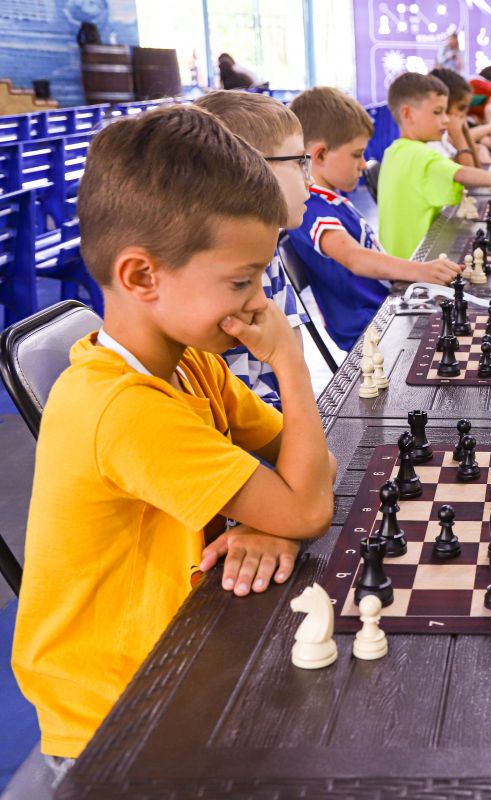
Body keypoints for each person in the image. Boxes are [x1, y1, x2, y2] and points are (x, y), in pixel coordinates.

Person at [12, 105, 336, 773]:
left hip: (181, 649)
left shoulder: (191, 361)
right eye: (241, 281)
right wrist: (290, 364)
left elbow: (309, 468)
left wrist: (266, 517)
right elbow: (307, 504)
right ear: (140, 277)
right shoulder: (123, 408)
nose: (260, 302)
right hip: (116, 723)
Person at [287, 87, 460, 352]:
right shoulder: (309, 207)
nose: (363, 164)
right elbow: (355, 258)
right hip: (369, 328)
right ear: (320, 155)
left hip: (385, 309)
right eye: (356, 154)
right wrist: (420, 270)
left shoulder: (329, 199)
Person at [192, 91, 311, 409]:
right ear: (252, 170)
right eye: (299, 162)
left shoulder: (268, 245)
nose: (310, 180)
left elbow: (292, 344)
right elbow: (238, 411)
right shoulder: (218, 273)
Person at [376, 72, 491, 261]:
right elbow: (464, 174)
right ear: (407, 114)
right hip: (416, 265)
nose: (447, 119)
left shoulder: (394, 151)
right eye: (437, 112)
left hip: (398, 261)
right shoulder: (422, 155)